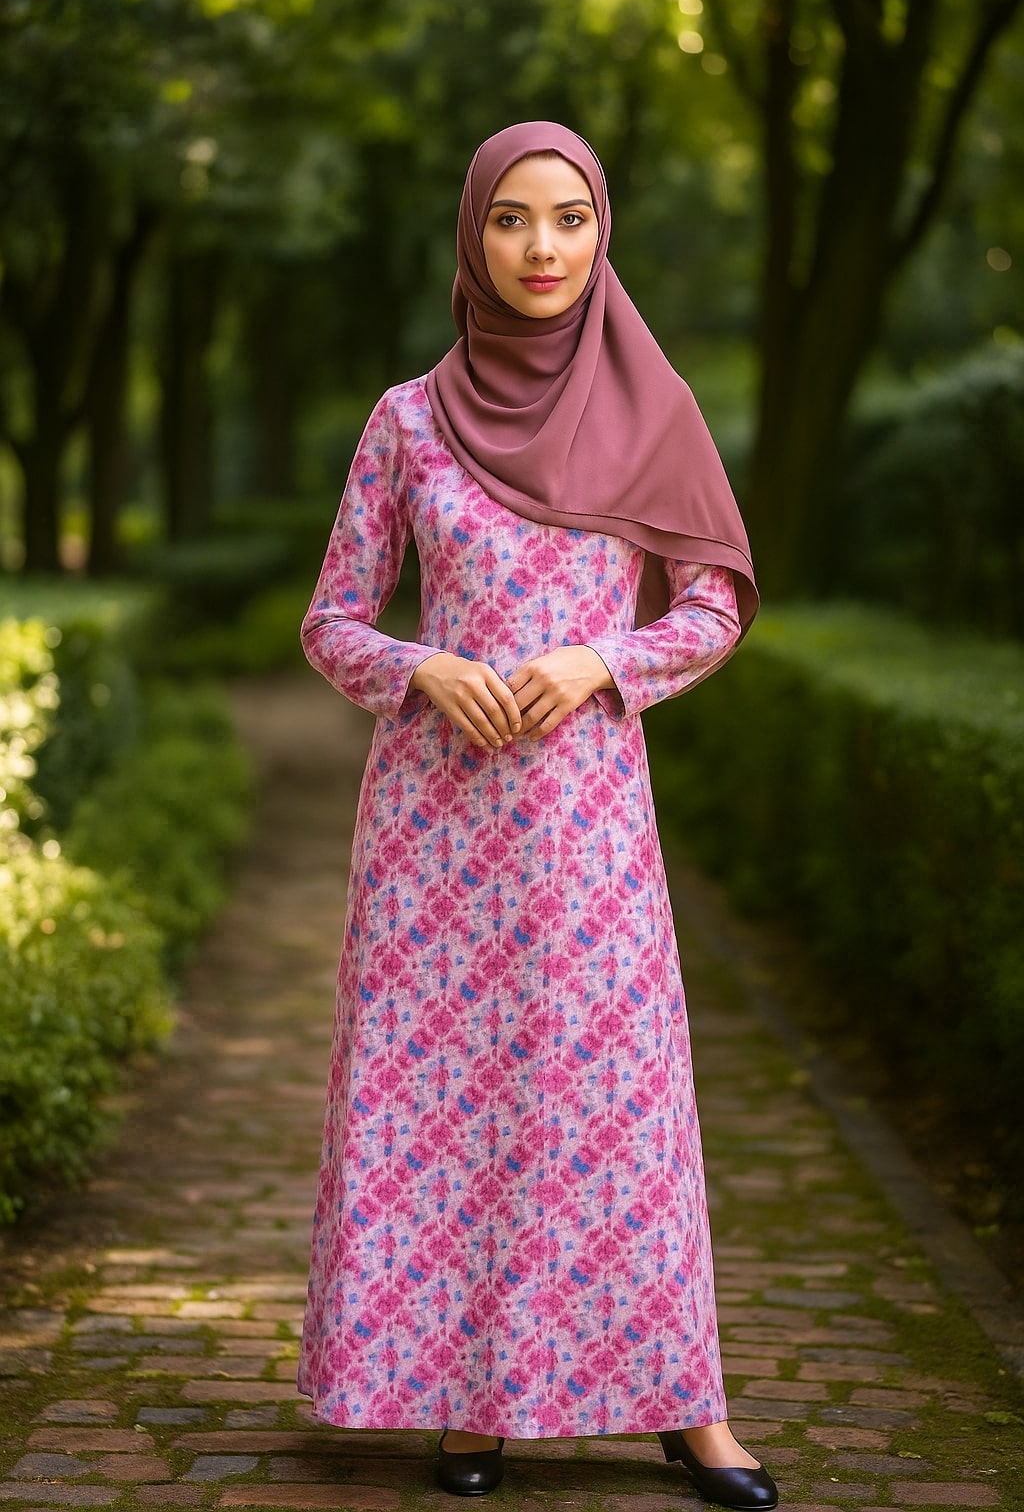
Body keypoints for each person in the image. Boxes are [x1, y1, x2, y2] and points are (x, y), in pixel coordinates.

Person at [296, 121, 779, 1512]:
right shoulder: (406, 421)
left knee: (618, 1104)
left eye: (569, 217)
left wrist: (599, 662)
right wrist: (418, 667)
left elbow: (713, 607)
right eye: (511, 218)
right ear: (473, 235)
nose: (543, 246)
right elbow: (331, 620)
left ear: (602, 231)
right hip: (434, 827)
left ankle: (692, 1408)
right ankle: (472, 1392)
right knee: (444, 1103)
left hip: (585, 825)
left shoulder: (655, 412)